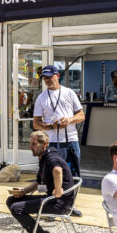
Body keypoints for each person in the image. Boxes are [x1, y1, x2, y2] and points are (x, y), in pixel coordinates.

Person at [5, 130, 75, 233]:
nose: (30, 147)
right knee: (11, 200)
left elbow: (57, 170)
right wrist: (23, 191)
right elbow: (38, 182)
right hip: (50, 198)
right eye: (30, 143)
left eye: (34, 144)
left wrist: (58, 190)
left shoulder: (51, 157)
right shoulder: (43, 157)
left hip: (59, 203)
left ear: (45, 144)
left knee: (17, 208)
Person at [32, 64, 84, 216]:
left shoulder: (69, 93)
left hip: (71, 140)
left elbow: (81, 115)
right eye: (45, 78)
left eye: (49, 76)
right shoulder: (41, 97)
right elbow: (36, 123)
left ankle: (70, 205)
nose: (47, 80)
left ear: (57, 76)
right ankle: (52, 206)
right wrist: (50, 126)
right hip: (52, 142)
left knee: (73, 174)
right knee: (49, 175)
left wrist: (70, 120)